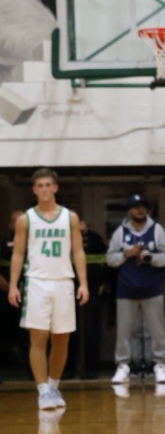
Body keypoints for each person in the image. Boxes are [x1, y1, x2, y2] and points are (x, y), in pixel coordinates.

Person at [7, 168, 89, 410]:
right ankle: (42, 390)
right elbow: (18, 254)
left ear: (55, 188)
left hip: (64, 282)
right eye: (39, 185)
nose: (44, 189)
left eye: (47, 185)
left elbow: (78, 252)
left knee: (62, 339)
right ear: (34, 190)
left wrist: (83, 283)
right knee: (39, 337)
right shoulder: (26, 219)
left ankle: (54, 386)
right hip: (36, 282)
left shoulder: (70, 217)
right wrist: (13, 285)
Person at [106, 194, 165, 385]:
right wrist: (126, 254)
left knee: (157, 330)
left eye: (143, 207)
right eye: (136, 207)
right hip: (126, 290)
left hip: (152, 288)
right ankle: (123, 366)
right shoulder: (120, 232)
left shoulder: (157, 229)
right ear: (129, 211)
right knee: (124, 331)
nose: (140, 210)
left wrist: (150, 258)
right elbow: (110, 259)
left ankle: (159, 365)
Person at [79, 219, 107, 378]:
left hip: (92, 289)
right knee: (68, 332)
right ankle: (68, 369)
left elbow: (105, 260)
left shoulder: (95, 238)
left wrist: (104, 283)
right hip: (68, 288)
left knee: (90, 330)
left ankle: (91, 368)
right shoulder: (64, 237)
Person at [0, 210, 25, 368]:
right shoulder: (4, 244)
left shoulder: (34, 243)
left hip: (29, 292)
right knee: (5, 330)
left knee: (28, 333)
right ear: (10, 225)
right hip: (5, 292)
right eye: (16, 221)